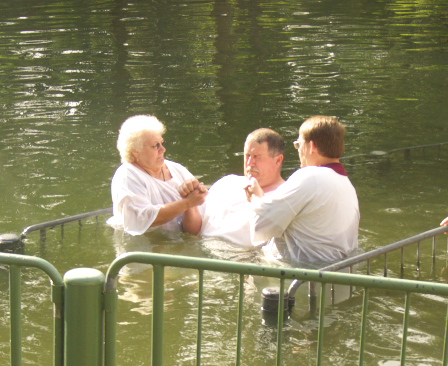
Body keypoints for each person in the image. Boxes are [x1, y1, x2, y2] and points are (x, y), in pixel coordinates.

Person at [246, 115, 360, 264]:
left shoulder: (310, 176)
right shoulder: (346, 184)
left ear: (311, 146)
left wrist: (255, 197)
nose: (298, 152)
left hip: (300, 278)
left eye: (298, 145)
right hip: (337, 274)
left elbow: (261, 228)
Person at [179, 128, 285, 248]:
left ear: (278, 160)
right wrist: (190, 204)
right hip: (203, 253)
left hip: (244, 260)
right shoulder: (227, 182)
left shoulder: (287, 196)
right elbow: (192, 232)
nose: (250, 163)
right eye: (247, 156)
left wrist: (258, 200)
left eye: (257, 157)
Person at [107, 115, 207, 236]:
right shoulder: (127, 175)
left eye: (162, 143)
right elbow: (140, 219)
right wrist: (187, 203)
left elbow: (192, 233)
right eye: (156, 146)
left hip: (177, 242)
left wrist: (195, 196)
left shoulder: (176, 169)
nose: (163, 149)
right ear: (135, 151)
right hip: (144, 248)